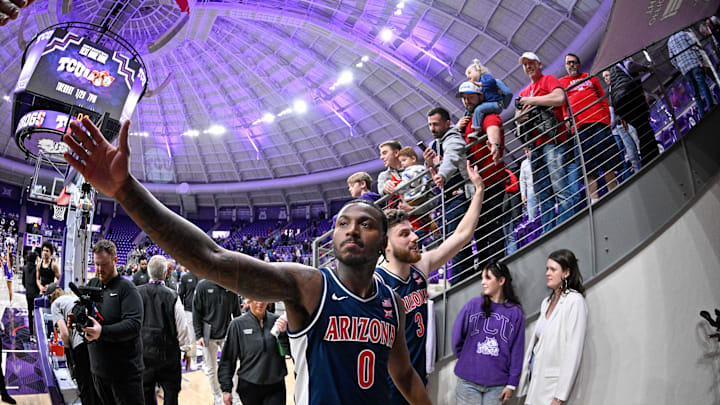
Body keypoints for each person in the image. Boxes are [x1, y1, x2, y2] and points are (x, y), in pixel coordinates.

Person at [63, 116, 432, 405]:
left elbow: (404, 375)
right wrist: (127, 191)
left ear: (382, 241)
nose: (351, 230)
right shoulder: (309, 285)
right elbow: (212, 257)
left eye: (364, 224)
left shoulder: (392, 303)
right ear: (332, 236)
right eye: (342, 223)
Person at [376, 159, 484, 405]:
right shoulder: (376, 284)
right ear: (386, 245)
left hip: (415, 380)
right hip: (384, 388)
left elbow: (461, 235)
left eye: (412, 230)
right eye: (404, 234)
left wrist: (478, 191)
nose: (415, 237)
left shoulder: (420, 267)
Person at [446, 82, 506, 278]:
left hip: (492, 180)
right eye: (463, 97)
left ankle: (497, 267)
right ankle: (482, 269)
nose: (466, 100)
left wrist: (495, 144)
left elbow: (493, 128)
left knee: (493, 225)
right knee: (478, 229)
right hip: (475, 186)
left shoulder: (487, 116)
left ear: (480, 96)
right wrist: (457, 128)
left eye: (470, 96)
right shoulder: (466, 122)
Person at [515, 52, 579, 233]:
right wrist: (525, 109)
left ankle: (566, 226)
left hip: (553, 141)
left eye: (531, 63)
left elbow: (560, 98)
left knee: (559, 187)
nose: (528, 67)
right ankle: (550, 231)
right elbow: (518, 120)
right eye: (525, 65)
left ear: (539, 64)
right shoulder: (524, 92)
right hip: (535, 146)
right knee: (543, 193)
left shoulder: (548, 80)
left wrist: (532, 102)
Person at [518, 249, 588, 405]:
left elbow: (573, 350)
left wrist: (559, 397)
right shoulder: (546, 303)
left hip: (553, 390)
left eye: (553, 269)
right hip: (536, 385)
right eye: (547, 269)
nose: (547, 273)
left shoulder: (574, 301)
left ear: (566, 273)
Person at [452, 262, 524, 405]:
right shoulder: (473, 305)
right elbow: (457, 338)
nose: (483, 282)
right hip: (468, 382)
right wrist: (469, 359)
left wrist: (512, 383)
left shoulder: (515, 313)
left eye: (487, 278)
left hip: (497, 385)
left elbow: (517, 350)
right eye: (482, 278)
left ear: (501, 281)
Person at [83, 239, 144, 405]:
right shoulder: (93, 283)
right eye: (96, 264)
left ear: (115, 261)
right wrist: (74, 316)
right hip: (98, 370)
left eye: (104, 265)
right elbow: (81, 306)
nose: (99, 270)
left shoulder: (127, 289)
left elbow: (133, 325)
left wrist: (102, 332)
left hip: (124, 374)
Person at [559, 53, 621, 203]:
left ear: (579, 64)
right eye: (568, 63)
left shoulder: (590, 77)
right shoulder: (561, 83)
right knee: (587, 167)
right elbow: (562, 105)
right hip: (580, 129)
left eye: (574, 62)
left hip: (599, 123)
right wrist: (566, 118)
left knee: (607, 159)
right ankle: (594, 199)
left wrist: (606, 119)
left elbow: (602, 98)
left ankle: (613, 189)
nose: (571, 65)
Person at [137, 255, 191, 405]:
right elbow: (182, 327)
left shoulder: (137, 293)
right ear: (166, 273)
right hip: (168, 356)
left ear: (148, 272)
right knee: (171, 397)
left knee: (146, 396)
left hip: (144, 354)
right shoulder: (173, 296)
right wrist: (186, 350)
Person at [218, 298, 288, 405]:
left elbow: (287, 352)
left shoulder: (277, 321)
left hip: (275, 385)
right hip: (249, 386)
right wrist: (226, 389)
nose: (260, 303)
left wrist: (283, 334)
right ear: (248, 300)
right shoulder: (237, 325)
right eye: (256, 299)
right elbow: (227, 359)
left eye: (263, 299)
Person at [48, 284, 100, 405]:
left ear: (51, 297)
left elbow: (64, 333)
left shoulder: (55, 305)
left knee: (84, 384)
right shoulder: (71, 298)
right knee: (95, 384)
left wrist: (68, 351)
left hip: (79, 345)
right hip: (92, 340)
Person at [193, 279, 241, 405]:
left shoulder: (231, 286)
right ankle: (217, 397)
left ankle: (235, 397)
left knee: (234, 367)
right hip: (208, 335)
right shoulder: (203, 286)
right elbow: (196, 312)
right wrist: (199, 335)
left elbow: (237, 313)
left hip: (227, 334)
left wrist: (240, 334)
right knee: (211, 369)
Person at [607, 57, 660, 166]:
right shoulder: (622, 60)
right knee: (645, 128)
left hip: (621, 106)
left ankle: (648, 158)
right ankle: (652, 157)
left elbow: (612, 99)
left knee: (641, 130)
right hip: (630, 96)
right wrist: (646, 68)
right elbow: (630, 65)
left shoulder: (613, 79)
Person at [668, 30, 716, 118]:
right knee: (703, 85)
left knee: (695, 92)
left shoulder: (669, 41)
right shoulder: (684, 34)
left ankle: (702, 114)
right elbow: (694, 47)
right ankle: (711, 107)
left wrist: (680, 67)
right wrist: (700, 60)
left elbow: (672, 60)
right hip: (694, 63)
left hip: (685, 69)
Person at [465, 59, 506, 139]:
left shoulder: (485, 77)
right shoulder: (479, 85)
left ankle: (476, 129)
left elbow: (492, 82)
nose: (468, 77)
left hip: (496, 103)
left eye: (470, 73)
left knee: (479, 109)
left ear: (478, 70)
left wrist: (480, 84)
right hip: (491, 103)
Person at [177, 267, 199, 369]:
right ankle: (193, 360)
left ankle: (207, 362)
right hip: (189, 311)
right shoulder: (185, 277)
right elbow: (180, 294)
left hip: (203, 312)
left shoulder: (204, 277)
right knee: (191, 337)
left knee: (207, 336)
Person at [22, 249, 40, 340]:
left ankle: (31, 333)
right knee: (37, 313)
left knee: (30, 313)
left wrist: (27, 288)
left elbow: (23, 282)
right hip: (36, 294)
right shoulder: (37, 268)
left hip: (28, 293)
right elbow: (38, 281)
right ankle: (37, 332)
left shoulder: (25, 268)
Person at [518, 147, 537, 221]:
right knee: (532, 216)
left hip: (540, 189)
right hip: (530, 192)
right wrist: (523, 194)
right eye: (525, 151)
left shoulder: (537, 160)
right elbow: (522, 180)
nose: (526, 153)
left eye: (528, 151)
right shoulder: (524, 163)